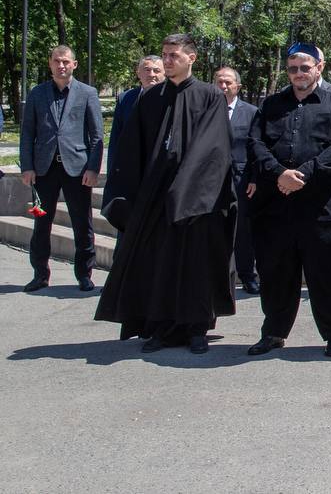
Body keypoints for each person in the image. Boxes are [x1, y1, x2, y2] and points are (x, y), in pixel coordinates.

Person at [95, 34, 235, 353]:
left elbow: (213, 149)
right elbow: (134, 150)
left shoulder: (210, 96)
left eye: (174, 55)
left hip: (196, 200)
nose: (167, 60)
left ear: (191, 58)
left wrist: (185, 189)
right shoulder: (151, 97)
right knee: (158, 265)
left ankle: (196, 328)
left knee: (195, 265)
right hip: (156, 199)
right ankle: (161, 327)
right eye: (165, 55)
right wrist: (129, 193)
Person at [245, 42, 331, 358]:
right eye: (292, 68)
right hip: (277, 206)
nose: (298, 74)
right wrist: (279, 173)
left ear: (318, 67)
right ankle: (274, 332)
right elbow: (256, 143)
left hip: (322, 207)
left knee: (327, 274)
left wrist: (302, 174)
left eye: (304, 67)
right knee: (276, 273)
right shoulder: (273, 103)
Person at [19, 45, 103, 292]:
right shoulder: (37, 93)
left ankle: (84, 274)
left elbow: (97, 136)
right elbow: (27, 134)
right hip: (44, 171)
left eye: (66, 61)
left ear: (74, 64)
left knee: (82, 224)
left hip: (77, 170)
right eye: (57, 61)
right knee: (41, 223)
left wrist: (93, 169)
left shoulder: (87, 93)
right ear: (50, 63)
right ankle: (40, 274)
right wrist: (27, 167)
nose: (61, 65)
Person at [215, 66, 260, 295]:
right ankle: (219, 276)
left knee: (243, 231)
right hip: (212, 181)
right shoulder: (206, 110)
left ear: (238, 86)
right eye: (219, 82)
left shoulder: (251, 112)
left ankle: (247, 275)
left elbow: (256, 148)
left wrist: (254, 177)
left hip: (241, 180)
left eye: (228, 83)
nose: (223, 86)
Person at [105, 55, 163, 177]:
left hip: (159, 170)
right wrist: (112, 170)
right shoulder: (125, 98)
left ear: (164, 73)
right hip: (130, 169)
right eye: (147, 70)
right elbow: (116, 137)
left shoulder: (173, 98)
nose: (151, 74)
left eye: (157, 70)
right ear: (138, 73)